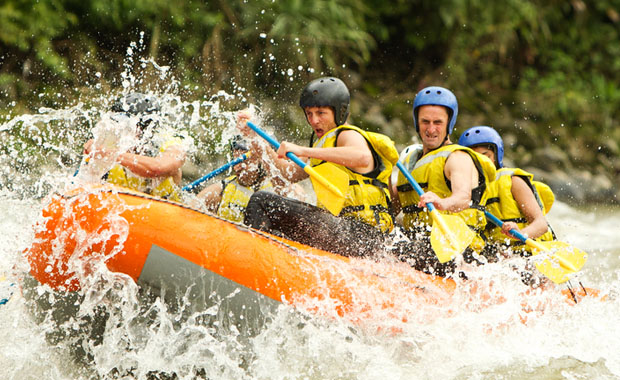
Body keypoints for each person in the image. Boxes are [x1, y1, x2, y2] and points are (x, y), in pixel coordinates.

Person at [241, 77, 399, 258]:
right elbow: (284, 175)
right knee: (275, 218)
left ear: (339, 112)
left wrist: (303, 150)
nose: (314, 120)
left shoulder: (347, 135)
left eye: (321, 113)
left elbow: (362, 158)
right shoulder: (322, 146)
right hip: (345, 232)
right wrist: (256, 140)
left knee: (261, 201)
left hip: (364, 235)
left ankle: (250, 260)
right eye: (309, 114)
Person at [392, 86, 497, 277]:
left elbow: (463, 197)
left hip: (455, 251)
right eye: (425, 122)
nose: (431, 129)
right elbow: (392, 208)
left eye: (438, 123)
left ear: (449, 124)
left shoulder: (457, 158)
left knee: (397, 249)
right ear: (417, 122)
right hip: (418, 241)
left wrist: (443, 203)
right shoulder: (409, 163)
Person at [457, 126, 556, 255]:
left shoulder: (513, 181)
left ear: (496, 156)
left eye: (485, 156)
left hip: (529, 254)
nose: (480, 162)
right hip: (498, 257)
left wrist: (520, 234)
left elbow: (541, 224)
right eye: (474, 158)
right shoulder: (465, 190)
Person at [83, 92, 191, 201]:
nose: (118, 129)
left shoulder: (171, 146)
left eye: (124, 123)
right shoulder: (109, 144)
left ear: (143, 129)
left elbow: (157, 168)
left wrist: (108, 154)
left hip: (166, 213)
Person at [197, 135, 303, 223]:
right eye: (235, 161)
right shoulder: (221, 189)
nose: (238, 166)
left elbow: (299, 214)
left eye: (245, 162)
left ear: (262, 162)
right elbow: (192, 207)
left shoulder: (283, 188)